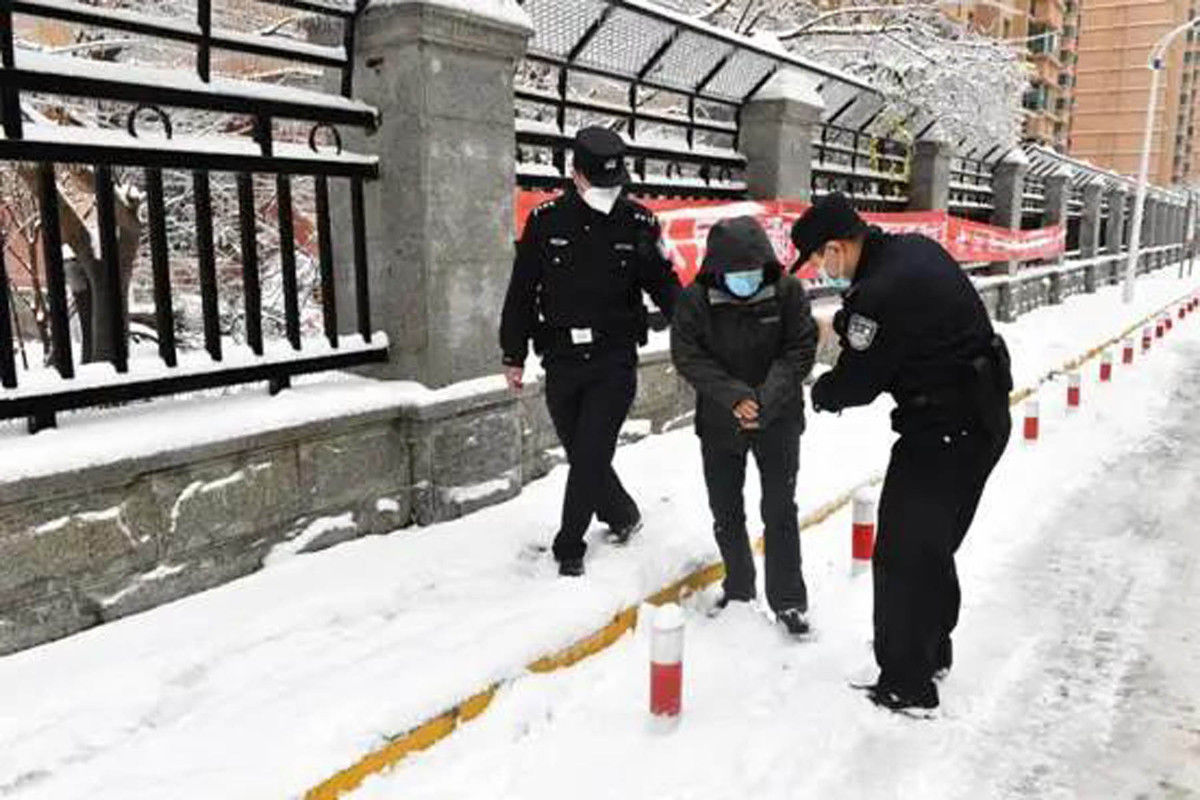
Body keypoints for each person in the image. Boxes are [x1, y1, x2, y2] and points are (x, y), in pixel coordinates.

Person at [792, 193, 1013, 712]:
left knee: (901, 554)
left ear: (836, 247)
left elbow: (859, 381)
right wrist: (849, 322)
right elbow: (899, 326)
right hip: (978, 419)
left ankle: (907, 683)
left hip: (944, 433)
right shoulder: (911, 252)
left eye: (821, 261)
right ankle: (932, 650)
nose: (823, 271)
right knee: (930, 546)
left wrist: (822, 392)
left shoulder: (880, 291)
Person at [499, 127, 680, 578]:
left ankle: (569, 543)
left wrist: (696, 330)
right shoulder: (545, 222)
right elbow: (521, 291)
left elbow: (664, 285)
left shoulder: (637, 223)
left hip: (614, 358)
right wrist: (512, 352)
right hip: (560, 357)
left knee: (592, 448)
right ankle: (621, 514)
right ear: (575, 175)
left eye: (615, 185)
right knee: (585, 453)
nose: (609, 194)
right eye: (600, 184)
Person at [670, 216, 818, 636]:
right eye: (735, 275)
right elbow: (687, 355)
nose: (745, 281)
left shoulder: (788, 292)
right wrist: (734, 396)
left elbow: (799, 349)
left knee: (779, 509)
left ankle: (789, 601)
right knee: (726, 509)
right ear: (716, 270)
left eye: (751, 272)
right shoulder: (695, 300)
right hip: (720, 421)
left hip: (778, 419)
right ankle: (739, 587)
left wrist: (764, 399)